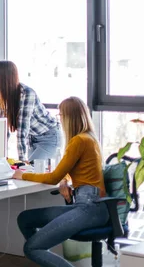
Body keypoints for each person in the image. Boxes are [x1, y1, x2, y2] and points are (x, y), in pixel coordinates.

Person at [12, 97, 109, 267]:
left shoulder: (78, 141)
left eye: (61, 115)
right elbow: (75, 171)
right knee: (25, 219)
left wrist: (22, 175)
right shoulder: (89, 138)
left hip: (89, 208)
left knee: (31, 248)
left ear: (69, 118)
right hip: (90, 204)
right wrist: (66, 180)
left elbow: (52, 178)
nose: (60, 119)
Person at [0, 60, 61, 162]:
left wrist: (21, 161)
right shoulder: (7, 97)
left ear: (2, 77)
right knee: (29, 172)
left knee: (31, 171)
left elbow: (22, 130)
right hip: (32, 140)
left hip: (49, 138)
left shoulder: (26, 94)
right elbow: (3, 130)